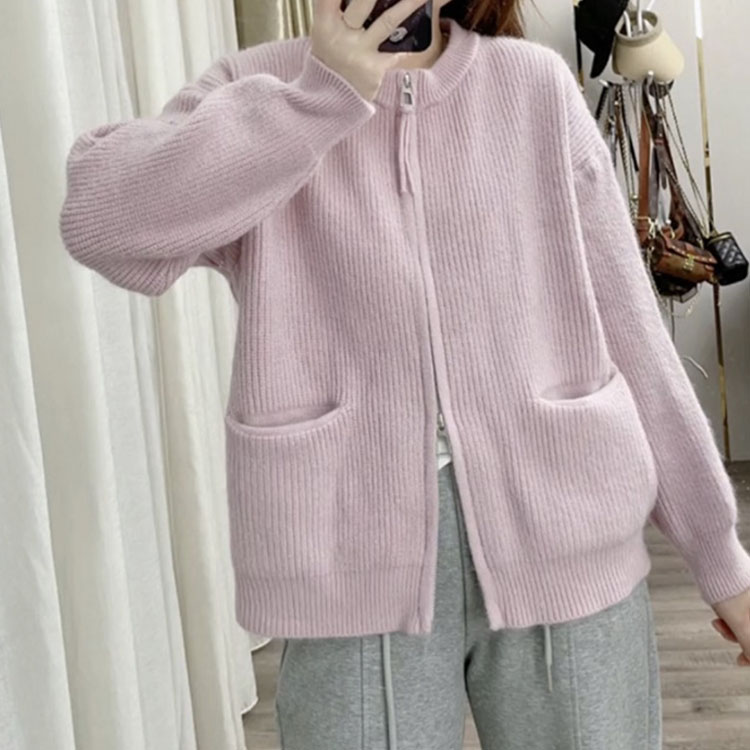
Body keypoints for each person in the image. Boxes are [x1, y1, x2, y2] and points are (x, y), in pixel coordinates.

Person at [59, 0, 750, 747]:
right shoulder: (261, 91)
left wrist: (723, 560)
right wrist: (318, 101)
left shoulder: (533, 89)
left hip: (568, 537)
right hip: (347, 562)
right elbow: (100, 217)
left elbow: (634, 337)